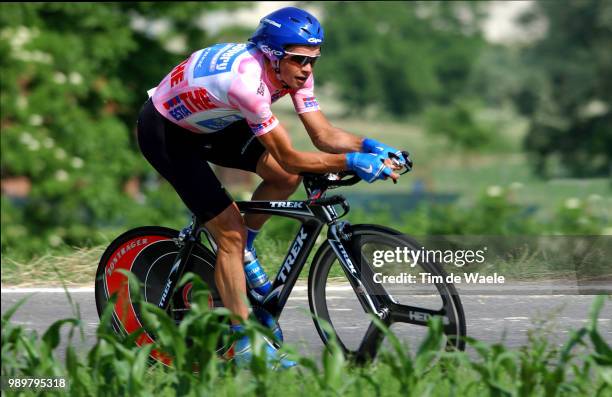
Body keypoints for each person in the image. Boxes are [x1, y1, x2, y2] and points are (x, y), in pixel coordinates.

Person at [136, 6, 409, 369]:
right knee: (229, 232)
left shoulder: (292, 70)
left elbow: (323, 136)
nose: (308, 69)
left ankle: (244, 254)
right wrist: (350, 163)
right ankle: (245, 345)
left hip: (214, 122)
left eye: (313, 59)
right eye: (300, 60)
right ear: (274, 57)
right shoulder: (247, 85)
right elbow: (292, 155)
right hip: (167, 132)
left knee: (284, 178)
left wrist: (369, 146)